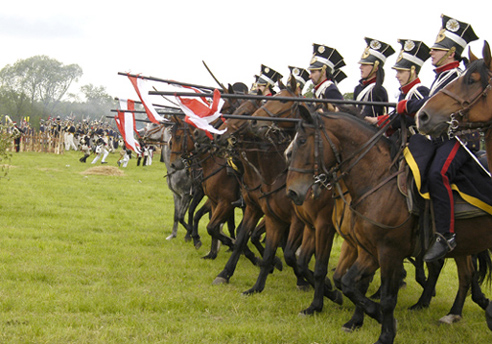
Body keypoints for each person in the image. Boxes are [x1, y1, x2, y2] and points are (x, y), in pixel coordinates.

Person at [403, 15, 490, 262]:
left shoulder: (457, 76)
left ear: (451, 52)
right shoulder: (442, 75)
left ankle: (446, 234)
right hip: (447, 137)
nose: (431, 52)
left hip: (462, 138)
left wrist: (404, 106)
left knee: (437, 173)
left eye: (437, 49)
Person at [373, 39, 431, 132]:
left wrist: (380, 121)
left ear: (413, 71)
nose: (397, 76)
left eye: (400, 72)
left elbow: (413, 119)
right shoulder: (403, 94)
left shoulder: (420, 91)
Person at [355, 37, 395, 123]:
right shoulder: (358, 88)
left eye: (365, 64)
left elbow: (374, 116)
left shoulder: (378, 90)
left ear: (375, 68)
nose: (360, 67)